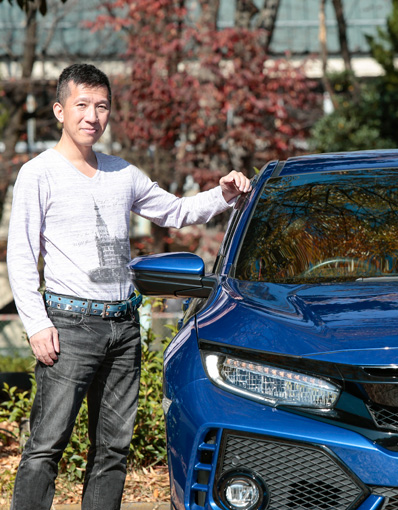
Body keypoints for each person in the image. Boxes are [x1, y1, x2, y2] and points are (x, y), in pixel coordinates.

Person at [6, 63, 251, 510]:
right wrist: (37, 324)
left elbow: (176, 212)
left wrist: (224, 194)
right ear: (60, 111)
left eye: (101, 106)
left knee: (113, 450)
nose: (92, 116)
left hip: (123, 328)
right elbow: (21, 255)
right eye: (81, 105)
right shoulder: (38, 173)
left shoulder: (122, 173)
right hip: (68, 327)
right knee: (46, 445)